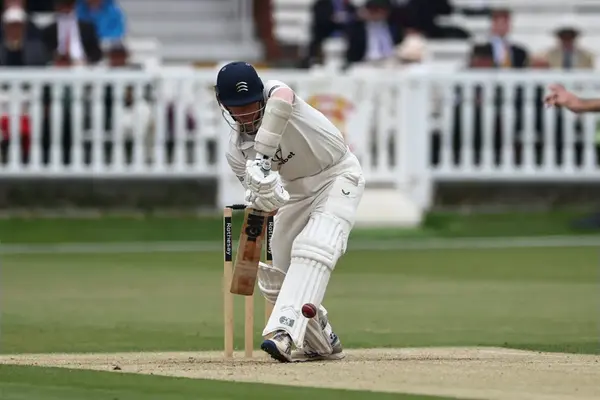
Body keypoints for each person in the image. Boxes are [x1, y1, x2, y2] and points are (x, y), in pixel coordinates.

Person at [215, 61, 365, 363]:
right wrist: (266, 195)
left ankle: (283, 332)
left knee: (315, 245)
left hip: (338, 175)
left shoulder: (278, 95)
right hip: (295, 193)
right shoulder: (237, 152)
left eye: (250, 104)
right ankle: (322, 341)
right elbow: (263, 206)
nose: (246, 113)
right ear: (225, 107)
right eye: (237, 108)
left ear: (260, 96)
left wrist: (263, 157)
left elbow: (282, 97)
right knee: (277, 278)